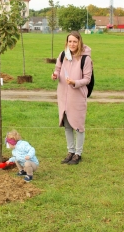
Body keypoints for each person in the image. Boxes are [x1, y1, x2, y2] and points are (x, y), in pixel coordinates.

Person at [51, 31, 93, 165]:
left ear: (79, 42)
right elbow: (57, 68)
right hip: (63, 95)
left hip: (77, 96)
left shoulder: (86, 59)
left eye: (75, 41)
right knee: (67, 125)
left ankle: (78, 154)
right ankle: (70, 151)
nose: (72, 44)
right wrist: (55, 75)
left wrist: (75, 82)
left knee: (78, 126)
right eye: (70, 41)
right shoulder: (63, 54)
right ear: (67, 42)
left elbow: (87, 79)